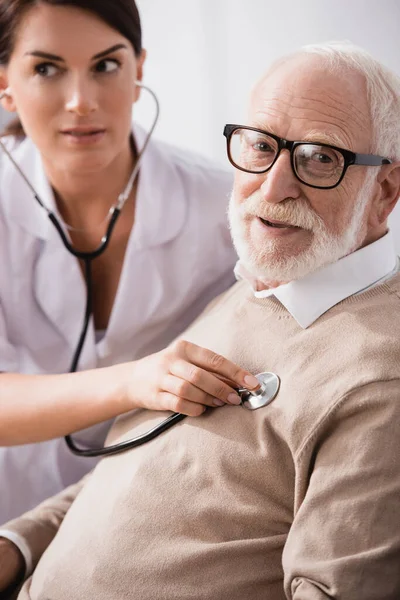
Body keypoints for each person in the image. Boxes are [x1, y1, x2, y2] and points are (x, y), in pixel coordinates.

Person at [2, 40, 400, 599]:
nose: (274, 186)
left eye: (320, 158)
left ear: (385, 188)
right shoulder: (255, 285)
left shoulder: (380, 377)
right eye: (261, 146)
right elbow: (142, 460)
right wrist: (16, 544)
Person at [0, 0, 267, 525]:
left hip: (151, 517)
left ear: (139, 67)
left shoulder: (222, 207)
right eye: (46, 69)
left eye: (105, 65)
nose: (81, 102)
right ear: (5, 83)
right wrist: (134, 381)